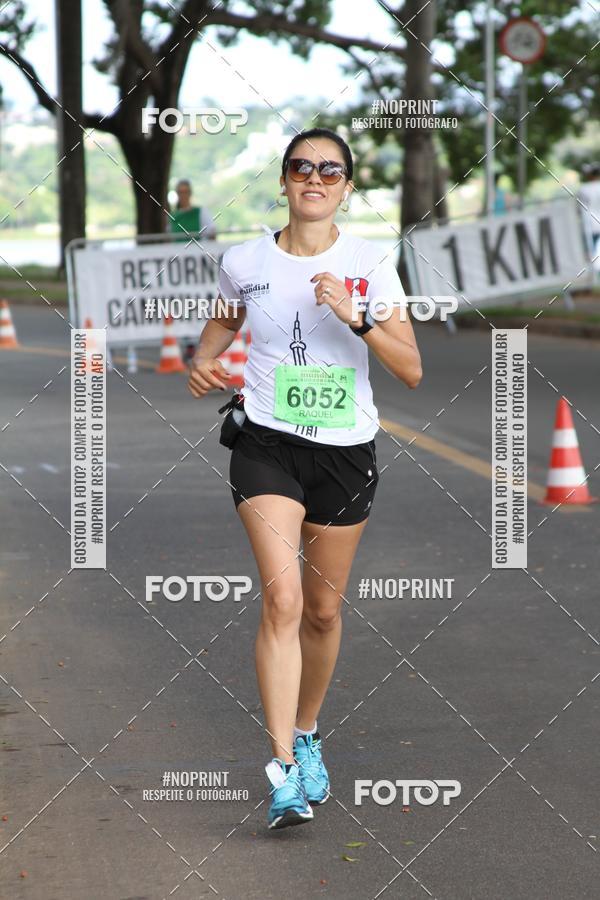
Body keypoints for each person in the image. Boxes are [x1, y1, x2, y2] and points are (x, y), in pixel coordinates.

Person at [187, 128, 422, 830]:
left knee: (322, 610)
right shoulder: (245, 260)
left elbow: (411, 369)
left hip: (345, 452)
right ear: (284, 180)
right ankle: (284, 768)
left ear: (347, 187)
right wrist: (203, 359)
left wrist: (356, 317)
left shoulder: (369, 262)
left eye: (330, 170)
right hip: (266, 445)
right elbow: (224, 320)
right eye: (301, 167)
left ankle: (308, 731)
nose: (314, 178)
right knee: (283, 600)